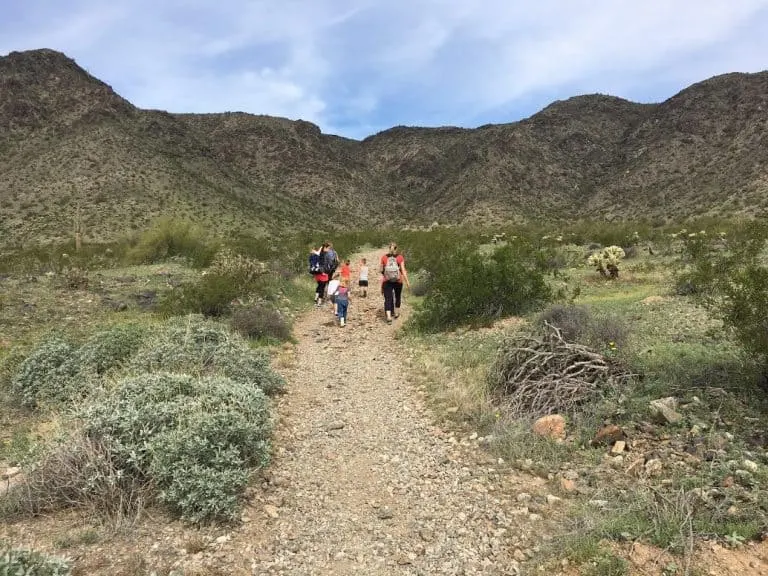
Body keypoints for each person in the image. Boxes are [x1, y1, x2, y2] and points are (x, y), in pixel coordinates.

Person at [380, 242, 410, 323]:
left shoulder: (384, 257)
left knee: (388, 298)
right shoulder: (400, 257)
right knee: (398, 296)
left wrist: (385, 277)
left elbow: (381, 270)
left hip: (387, 280)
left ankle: (389, 317)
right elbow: (403, 270)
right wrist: (407, 282)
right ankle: (396, 313)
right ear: (396, 248)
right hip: (398, 280)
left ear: (389, 248)